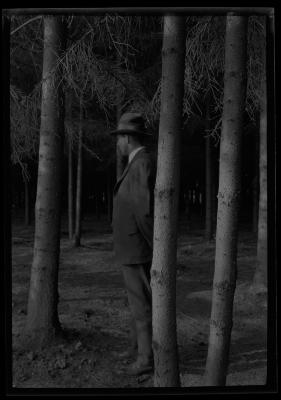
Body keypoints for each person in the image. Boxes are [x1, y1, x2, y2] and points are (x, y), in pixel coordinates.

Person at [110, 112, 156, 376]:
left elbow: (143, 211)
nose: (117, 144)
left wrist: (154, 247)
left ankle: (145, 358)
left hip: (138, 249)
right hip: (131, 248)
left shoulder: (140, 164)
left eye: (119, 139)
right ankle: (136, 347)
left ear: (127, 138)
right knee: (135, 301)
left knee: (141, 305)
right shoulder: (136, 163)